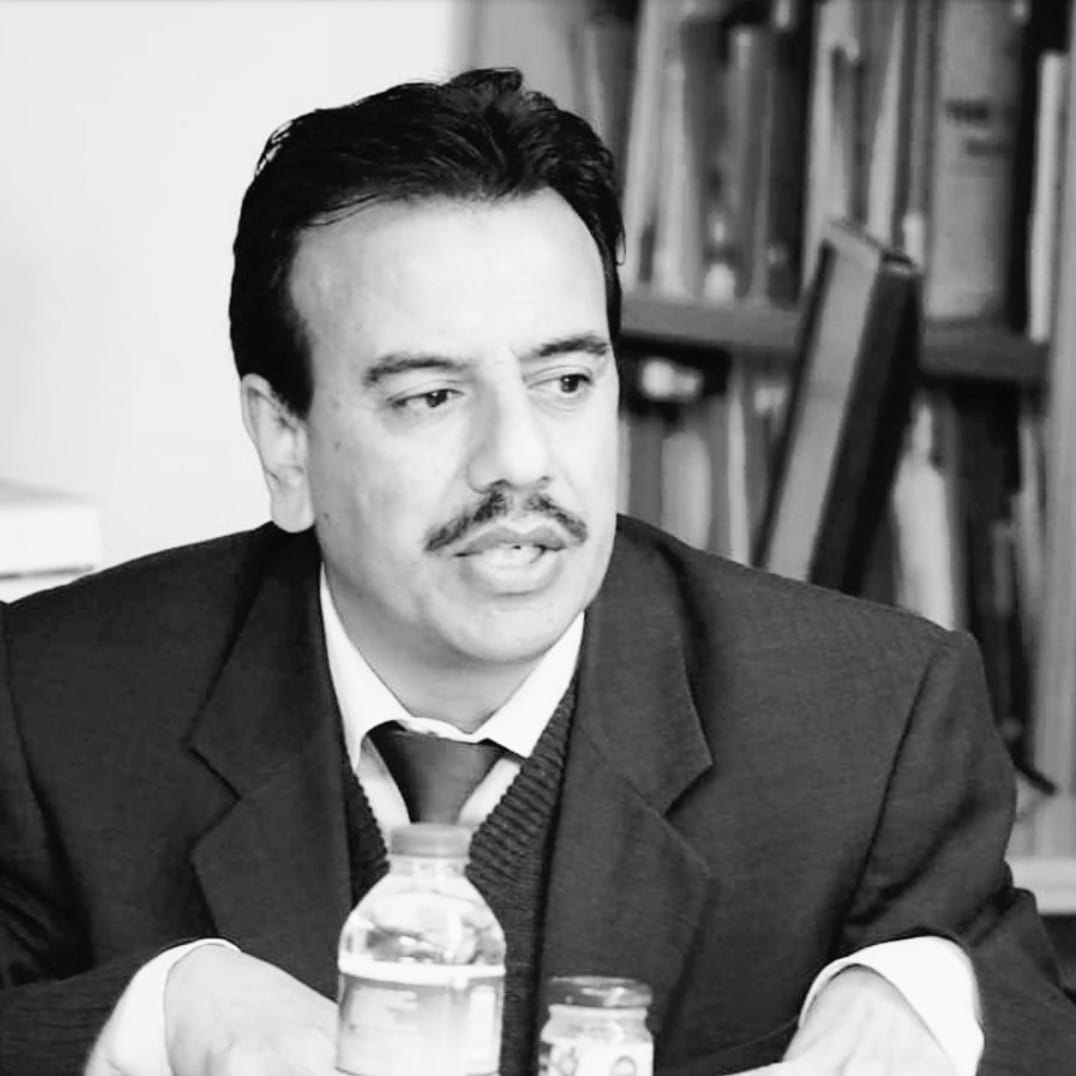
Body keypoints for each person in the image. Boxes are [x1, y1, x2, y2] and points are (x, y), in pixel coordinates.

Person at [0, 67, 1073, 1076]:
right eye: (430, 397)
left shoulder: (868, 718)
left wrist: (921, 993)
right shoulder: (52, 707)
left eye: (564, 380)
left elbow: (1021, 1002)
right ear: (285, 442)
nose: (519, 459)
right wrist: (160, 1007)